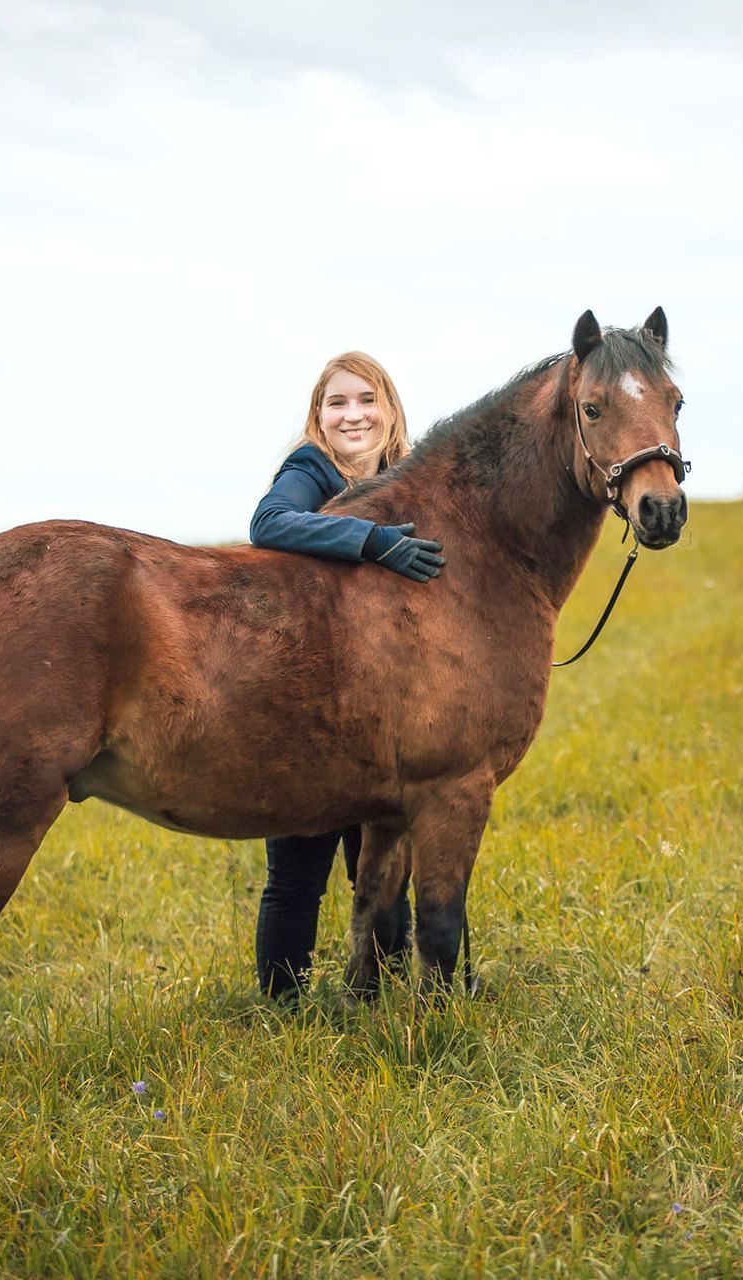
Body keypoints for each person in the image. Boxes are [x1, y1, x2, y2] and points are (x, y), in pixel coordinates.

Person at [248, 351, 446, 999]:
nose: (353, 414)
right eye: (337, 403)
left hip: (387, 702)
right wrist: (370, 540)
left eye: (366, 400)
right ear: (318, 416)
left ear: (389, 411)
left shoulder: (410, 478)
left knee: (384, 864)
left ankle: (377, 998)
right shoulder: (310, 469)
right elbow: (269, 523)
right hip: (309, 695)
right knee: (297, 872)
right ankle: (283, 1007)